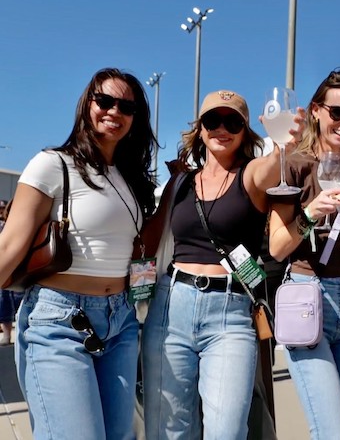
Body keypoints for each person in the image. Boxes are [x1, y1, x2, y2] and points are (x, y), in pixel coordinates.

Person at [0, 68, 157, 439]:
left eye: (127, 106)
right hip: (59, 319)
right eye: (105, 101)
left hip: (121, 321)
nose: (114, 112)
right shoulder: (54, 164)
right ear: (87, 105)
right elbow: (9, 244)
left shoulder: (130, 179)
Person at [141, 89, 303, 439]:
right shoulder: (180, 182)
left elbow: (271, 166)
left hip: (229, 314)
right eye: (212, 120)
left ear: (246, 130)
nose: (221, 128)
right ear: (200, 129)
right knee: (168, 430)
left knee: (226, 431)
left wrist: (283, 143)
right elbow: (150, 239)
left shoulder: (251, 175)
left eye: (233, 121)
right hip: (172, 307)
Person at [268, 69, 340, 439]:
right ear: (316, 111)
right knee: (333, 432)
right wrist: (311, 213)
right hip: (307, 297)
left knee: (332, 428)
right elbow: (277, 246)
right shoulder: (293, 165)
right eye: (337, 113)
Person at [0, 200, 24, 346]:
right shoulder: (2, 226)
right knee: (4, 303)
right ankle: (7, 335)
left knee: (21, 304)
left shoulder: (24, 227)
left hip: (21, 273)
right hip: (6, 272)